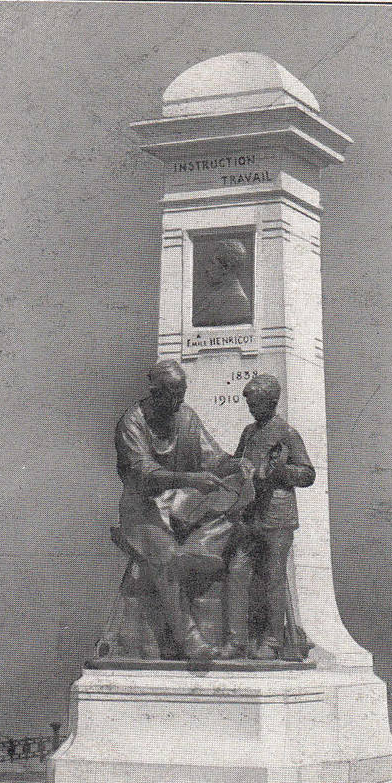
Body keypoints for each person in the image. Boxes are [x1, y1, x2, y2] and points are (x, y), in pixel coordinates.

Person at [114, 359, 248, 661]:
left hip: (181, 504)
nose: (179, 401)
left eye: (182, 393)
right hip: (141, 508)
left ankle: (238, 636)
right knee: (167, 558)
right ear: (155, 392)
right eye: (172, 394)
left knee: (233, 523)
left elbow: (212, 457)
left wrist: (238, 464)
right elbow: (142, 474)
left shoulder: (186, 417)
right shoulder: (131, 422)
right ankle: (190, 641)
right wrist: (190, 479)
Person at [221, 374, 316, 660]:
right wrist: (237, 465)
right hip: (250, 515)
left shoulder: (287, 433)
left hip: (277, 517)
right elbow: (237, 460)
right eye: (249, 404)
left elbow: (308, 474)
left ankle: (274, 641)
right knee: (237, 572)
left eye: (255, 404)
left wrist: (279, 472)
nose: (250, 409)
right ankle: (236, 640)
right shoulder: (249, 432)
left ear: (270, 403)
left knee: (274, 577)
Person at [192, 238, 252, 327]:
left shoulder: (236, 301)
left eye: (212, 263)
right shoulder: (219, 293)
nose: (207, 269)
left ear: (226, 268)